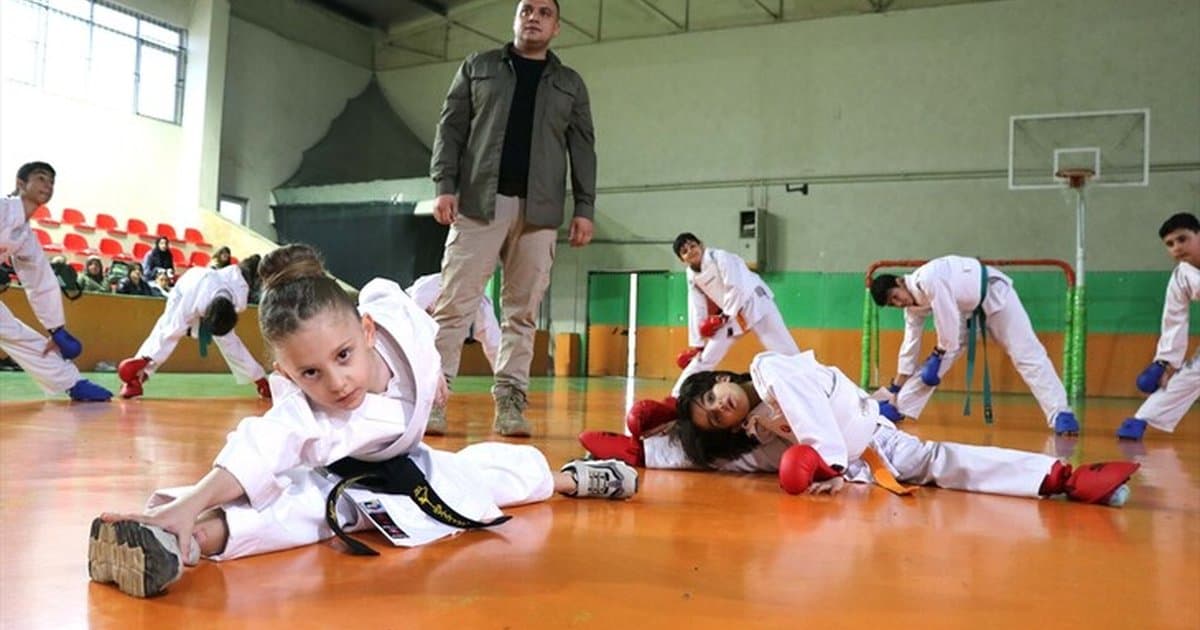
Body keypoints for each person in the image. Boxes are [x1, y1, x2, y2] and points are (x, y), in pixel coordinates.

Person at [87, 244, 637, 598]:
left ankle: (574, 477)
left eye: (344, 356)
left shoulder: (392, 314)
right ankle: (177, 540)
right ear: (287, 373)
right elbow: (265, 442)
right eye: (310, 372)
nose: (336, 383)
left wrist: (434, 377)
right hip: (343, 473)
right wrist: (189, 502)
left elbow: (406, 311)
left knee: (484, 477)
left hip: (409, 461)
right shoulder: (313, 413)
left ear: (367, 332)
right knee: (303, 508)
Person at [428, 0, 596, 436]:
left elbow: (583, 148)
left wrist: (584, 208)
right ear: (516, 17)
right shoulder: (477, 68)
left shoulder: (570, 84)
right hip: (479, 203)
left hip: (539, 212)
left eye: (544, 12)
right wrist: (444, 184)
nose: (534, 17)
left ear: (557, 26)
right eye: (526, 9)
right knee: (453, 307)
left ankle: (510, 403)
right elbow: (450, 129)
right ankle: (433, 399)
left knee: (522, 314)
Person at [666, 351, 1137, 506]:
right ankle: (646, 452)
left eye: (712, 398)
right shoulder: (755, 427)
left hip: (868, 438)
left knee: (934, 460)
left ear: (721, 379)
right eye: (714, 417)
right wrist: (646, 445)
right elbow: (735, 459)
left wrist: (824, 463)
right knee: (739, 463)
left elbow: (809, 412)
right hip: (844, 457)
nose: (719, 408)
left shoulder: (768, 367)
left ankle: (1059, 477)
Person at [870, 255, 1080, 435]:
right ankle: (899, 406)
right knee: (932, 365)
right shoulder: (912, 308)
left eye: (895, 297)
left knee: (1027, 355)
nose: (899, 304)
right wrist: (896, 387)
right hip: (965, 311)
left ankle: (1061, 412)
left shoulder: (928, 279)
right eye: (892, 305)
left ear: (900, 282)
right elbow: (910, 345)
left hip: (996, 296)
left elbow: (947, 321)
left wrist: (939, 351)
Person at [0, 161, 109, 401]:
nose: (47, 185)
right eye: (41, 178)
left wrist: (56, 329)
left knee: (16, 333)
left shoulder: (25, 235)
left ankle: (72, 383)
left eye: (51, 182)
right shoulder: (2, 209)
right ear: (20, 183)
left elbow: (40, 280)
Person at [116, 256, 269, 399]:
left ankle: (259, 379)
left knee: (229, 342)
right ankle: (137, 378)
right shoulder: (194, 297)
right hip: (187, 287)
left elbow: (232, 344)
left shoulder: (238, 299)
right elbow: (174, 328)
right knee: (167, 327)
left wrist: (260, 379)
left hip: (217, 292)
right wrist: (146, 359)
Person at [671, 232, 800, 396]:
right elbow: (696, 307)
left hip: (755, 303)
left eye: (692, 245)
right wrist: (698, 344)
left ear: (701, 245)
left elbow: (735, 286)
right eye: (684, 251)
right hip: (730, 315)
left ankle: (813, 384)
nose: (690, 251)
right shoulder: (691, 276)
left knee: (787, 352)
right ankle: (676, 397)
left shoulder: (720, 257)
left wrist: (724, 316)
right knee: (704, 357)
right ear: (682, 260)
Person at [1117, 212, 1200, 441]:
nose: (1177, 248)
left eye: (1183, 239)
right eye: (1170, 244)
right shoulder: (1181, 277)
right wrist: (1164, 363)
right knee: (1193, 371)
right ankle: (1142, 418)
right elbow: (1174, 320)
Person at [406, 272, 500, 378]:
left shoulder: (483, 309)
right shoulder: (427, 290)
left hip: (447, 324)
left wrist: (505, 383)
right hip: (410, 316)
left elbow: (495, 348)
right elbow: (412, 328)